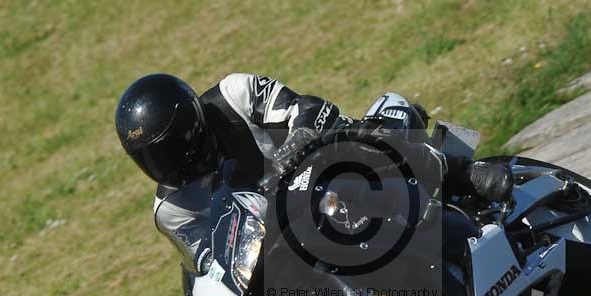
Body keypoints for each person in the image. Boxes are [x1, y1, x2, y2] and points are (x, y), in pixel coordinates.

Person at [114, 73, 512, 269]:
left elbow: (305, 108)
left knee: (353, 137)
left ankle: (462, 170)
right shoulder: (170, 209)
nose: (165, 166)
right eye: (149, 159)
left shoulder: (233, 95)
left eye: (168, 151)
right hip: (278, 235)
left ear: (192, 127)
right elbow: (207, 262)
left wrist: (294, 146)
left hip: (317, 166)